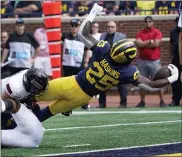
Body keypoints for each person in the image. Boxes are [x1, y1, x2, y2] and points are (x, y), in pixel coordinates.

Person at [32, 3, 179, 122]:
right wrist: (172, 78)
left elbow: (83, 34)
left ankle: (11, 114)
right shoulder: (128, 71)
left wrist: (94, 12)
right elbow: (151, 86)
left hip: (72, 83)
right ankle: (25, 127)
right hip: (83, 97)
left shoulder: (104, 49)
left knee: (33, 95)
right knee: (47, 113)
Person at [1, 68, 48, 147]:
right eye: (35, 88)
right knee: (7, 115)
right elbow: (5, 103)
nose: (37, 92)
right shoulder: (15, 87)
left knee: (34, 108)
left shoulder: (28, 76)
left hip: (13, 96)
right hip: (3, 96)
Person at [135, 16, 166, 108]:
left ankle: (162, 101)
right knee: (141, 82)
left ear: (153, 22)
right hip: (142, 61)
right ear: (144, 23)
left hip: (154, 61)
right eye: (146, 22)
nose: (148, 23)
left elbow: (156, 44)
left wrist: (143, 44)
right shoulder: (140, 33)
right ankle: (142, 101)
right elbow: (138, 44)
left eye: (150, 21)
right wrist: (149, 41)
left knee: (159, 81)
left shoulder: (157, 32)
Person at [168, 16, 182, 106]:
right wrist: (171, 57)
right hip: (176, 59)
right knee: (175, 80)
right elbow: (171, 45)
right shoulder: (173, 32)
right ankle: (176, 100)